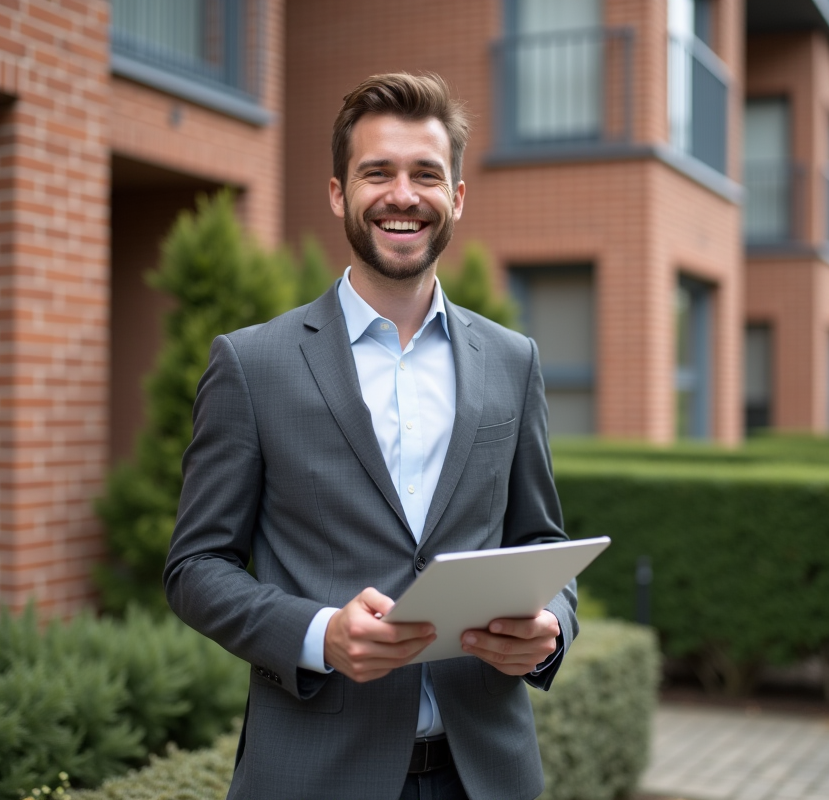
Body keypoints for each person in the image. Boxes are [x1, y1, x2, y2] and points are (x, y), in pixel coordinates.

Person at [163, 72, 578, 800]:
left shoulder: (514, 361)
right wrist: (318, 632)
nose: (402, 195)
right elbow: (196, 567)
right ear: (337, 195)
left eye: (425, 173)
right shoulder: (252, 363)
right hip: (314, 773)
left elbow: (542, 541)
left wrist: (552, 624)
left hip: (485, 774)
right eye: (376, 172)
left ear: (455, 198)